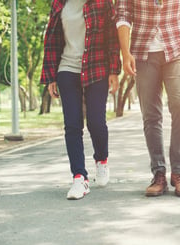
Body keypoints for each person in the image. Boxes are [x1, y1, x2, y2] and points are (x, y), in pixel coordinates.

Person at [116, 0, 180, 197]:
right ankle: (159, 173)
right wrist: (125, 52)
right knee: (151, 114)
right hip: (142, 49)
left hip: (177, 46)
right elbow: (123, 14)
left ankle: (179, 172)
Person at [40, 0, 121, 200]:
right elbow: (51, 39)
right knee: (72, 124)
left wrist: (114, 71)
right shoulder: (59, 4)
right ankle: (79, 177)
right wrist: (50, 76)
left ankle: (101, 160)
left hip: (97, 68)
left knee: (96, 122)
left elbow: (112, 38)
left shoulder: (102, 3)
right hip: (67, 68)